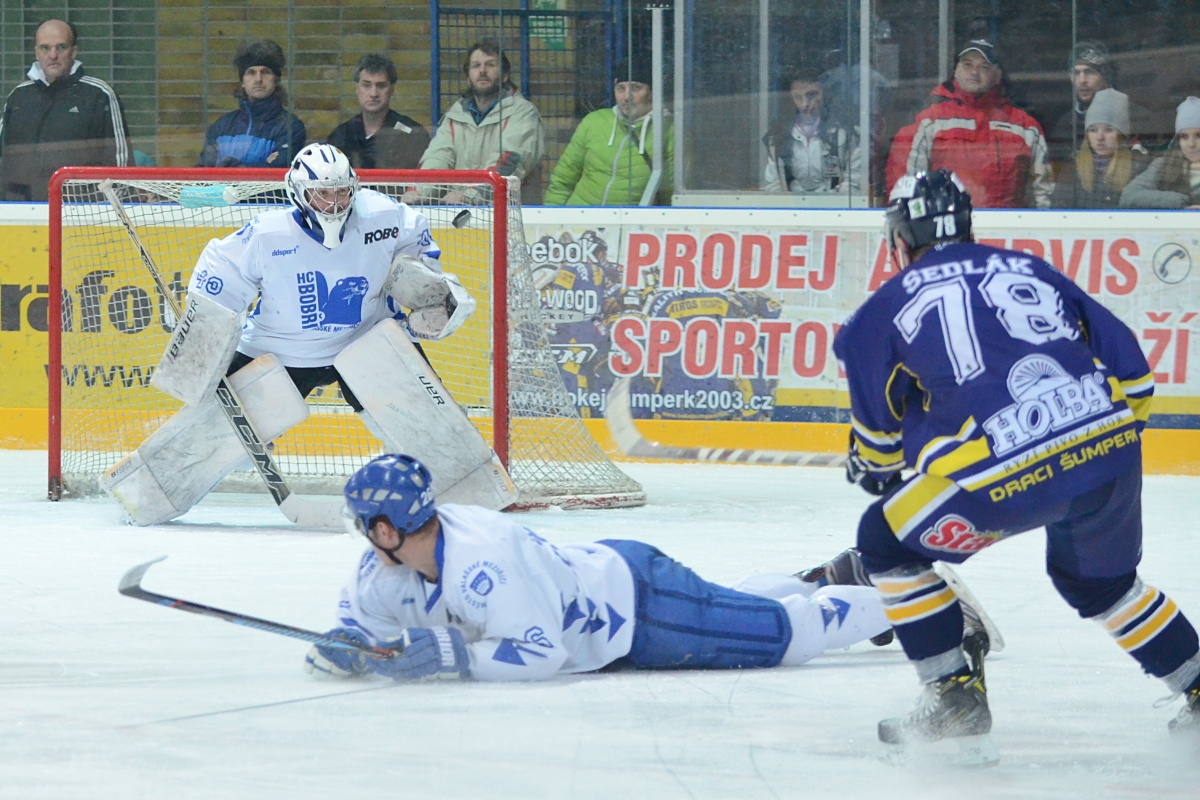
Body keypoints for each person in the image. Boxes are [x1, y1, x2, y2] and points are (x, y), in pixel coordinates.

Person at [834, 169, 1200, 761]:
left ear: (901, 240)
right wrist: (1092, 436)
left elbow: (877, 446)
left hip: (1001, 471)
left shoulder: (878, 313)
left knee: (885, 542)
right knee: (1102, 584)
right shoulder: (1031, 269)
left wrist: (873, 464)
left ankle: (953, 693)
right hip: (1107, 449)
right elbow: (1134, 373)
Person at [103, 143, 482, 526]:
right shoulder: (268, 233)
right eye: (322, 193)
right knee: (209, 432)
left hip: (366, 341)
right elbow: (222, 269)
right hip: (278, 352)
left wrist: (429, 293)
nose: (334, 203)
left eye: (341, 191)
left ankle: (469, 495)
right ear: (299, 193)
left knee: (427, 423)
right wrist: (204, 323)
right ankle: (145, 496)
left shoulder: (384, 215)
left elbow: (417, 258)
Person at [303, 453, 915, 683]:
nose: (361, 535)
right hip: (609, 579)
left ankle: (915, 605)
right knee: (730, 603)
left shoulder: (481, 560)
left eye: (364, 523)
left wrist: (449, 655)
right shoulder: (379, 569)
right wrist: (344, 648)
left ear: (386, 529)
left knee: (787, 635)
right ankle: (829, 578)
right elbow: (352, 624)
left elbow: (538, 653)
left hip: (639, 608)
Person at [885, 39, 1052, 209]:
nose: (974, 72)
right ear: (955, 71)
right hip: (947, 227)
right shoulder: (929, 120)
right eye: (967, 65)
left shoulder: (1025, 126)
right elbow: (904, 184)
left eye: (984, 67)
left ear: (998, 75)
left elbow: (1042, 192)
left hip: (1005, 229)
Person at [0, 19, 131, 201]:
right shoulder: (19, 96)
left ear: (73, 52)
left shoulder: (98, 95)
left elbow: (120, 166)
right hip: (21, 214)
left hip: (80, 216)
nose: (52, 55)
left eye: (60, 47)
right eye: (45, 48)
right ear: (36, 52)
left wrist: (103, 214)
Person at [414, 40, 545, 204]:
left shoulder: (523, 112)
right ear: (468, 78)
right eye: (476, 66)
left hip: (513, 217)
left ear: (505, 75)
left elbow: (509, 163)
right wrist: (418, 190)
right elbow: (438, 157)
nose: (482, 71)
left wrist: (471, 195)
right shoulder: (455, 114)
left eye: (490, 65)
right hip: (460, 215)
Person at [543, 60, 672, 206]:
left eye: (636, 88)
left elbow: (672, 192)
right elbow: (563, 179)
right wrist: (554, 219)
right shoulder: (594, 122)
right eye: (620, 88)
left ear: (652, 92)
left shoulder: (668, 130)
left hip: (631, 223)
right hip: (581, 219)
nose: (626, 97)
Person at [198, 39, 306, 168]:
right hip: (220, 189)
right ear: (242, 82)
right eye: (251, 72)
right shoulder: (222, 125)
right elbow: (203, 170)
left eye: (266, 72)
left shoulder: (290, 127)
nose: (258, 79)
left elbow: (279, 173)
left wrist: (230, 169)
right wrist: (263, 164)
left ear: (276, 80)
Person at [761, 65, 861, 196]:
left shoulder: (846, 133)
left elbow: (854, 185)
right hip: (793, 210)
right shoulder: (778, 135)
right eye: (797, 97)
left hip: (835, 211)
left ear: (825, 94)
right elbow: (774, 186)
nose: (805, 104)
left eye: (811, 95)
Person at [327, 54, 430, 171]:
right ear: (356, 88)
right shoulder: (341, 135)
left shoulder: (413, 135)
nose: (373, 93)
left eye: (381, 86)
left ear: (392, 89)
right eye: (366, 85)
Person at [1051, 88, 1149, 208]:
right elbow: (1059, 210)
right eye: (1093, 130)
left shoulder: (1139, 167)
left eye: (1108, 130)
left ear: (1121, 135)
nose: (1100, 137)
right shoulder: (1072, 168)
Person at [1046, 41, 1119, 173]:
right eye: (1076, 73)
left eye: (1089, 72)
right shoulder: (1064, 124)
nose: (1082, 80)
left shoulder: (1132, 115)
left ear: (1105, 76)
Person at [1120, 96, 1200, 209]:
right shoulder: (1164, 165)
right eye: (1184, 137)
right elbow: (1129, 196)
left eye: (1198, 135)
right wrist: (1182, 202)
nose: (1191, 144)